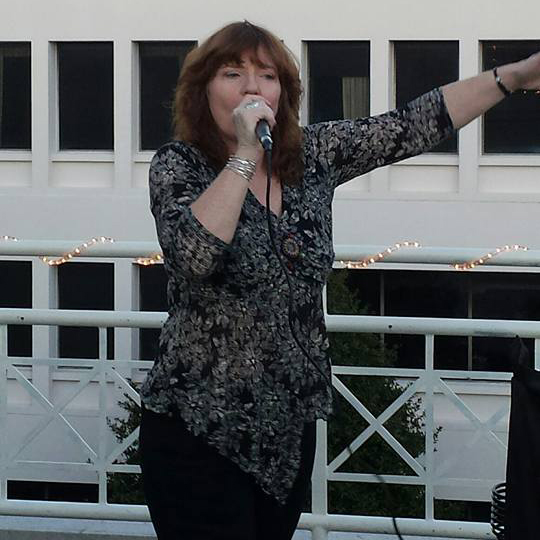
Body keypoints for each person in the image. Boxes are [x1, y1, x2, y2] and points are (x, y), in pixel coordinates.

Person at [138, 20, 540, 540]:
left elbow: (411, 125)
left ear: (285, 91)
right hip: (198, 430)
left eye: (267, 75)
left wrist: (517, 74)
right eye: (232, 74)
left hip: (287, 430)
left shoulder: (311, 155)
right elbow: (194, 255)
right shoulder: (179, 166)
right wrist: (243, 156)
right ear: (203, 91)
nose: (252, 88)